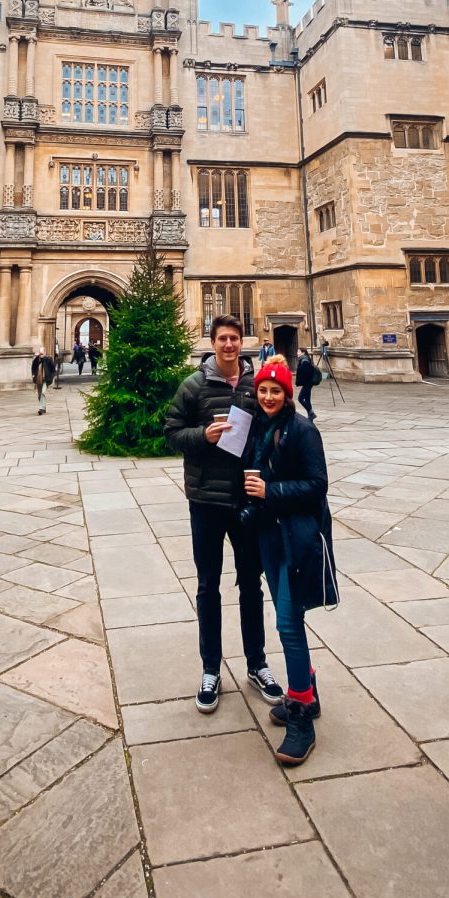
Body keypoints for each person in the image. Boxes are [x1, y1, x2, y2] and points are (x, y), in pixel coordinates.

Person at [164, 315, 284, 714]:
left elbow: (277, 426)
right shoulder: (194, 386)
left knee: (252, 584)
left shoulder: (256, 385)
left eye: (235, 338)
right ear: (212, 343)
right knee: (207, 585)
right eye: (223, 339)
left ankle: (257, 664)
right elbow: (171, 433)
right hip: (206, 501)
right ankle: (211, 669)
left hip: (247, 501)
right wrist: (203, 436)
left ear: (241, 342)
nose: (230, 345)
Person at [243, 357, 338, 765]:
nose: (268, 396)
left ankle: (301, 713)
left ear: (287, 394)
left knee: (287, 621)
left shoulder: (303, 430)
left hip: (295, 537)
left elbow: (318, 485)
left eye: (275, 390)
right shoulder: (258, 429)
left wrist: (270, 491)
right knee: (287, 616)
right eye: (263, 390)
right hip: (270, 536)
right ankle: (308, 690)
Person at [295, 347, 320, 421]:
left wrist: (302, 379)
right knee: (307, 399)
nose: (297, 353)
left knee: (300, 398)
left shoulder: (304, 360)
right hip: (308, 383)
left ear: (303, 353)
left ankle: (311, 413)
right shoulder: (304, 359)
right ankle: (310, 416)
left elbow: (308, 372)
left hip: (307, 383)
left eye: (298, 352)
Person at [31, 347, 55, 413]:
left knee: (42, 392)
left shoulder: (49, 359)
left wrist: (51, 377)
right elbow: (33, 368)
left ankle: (41, 408)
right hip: (38, 379)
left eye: (42, 353)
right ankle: (43, 407)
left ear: (45, 352)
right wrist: (33, 375)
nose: (40, 355)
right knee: (39, 394)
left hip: (46, 379)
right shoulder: (36, 359)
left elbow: (53, 370)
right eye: (40, 353)